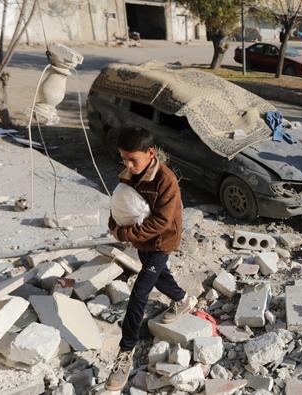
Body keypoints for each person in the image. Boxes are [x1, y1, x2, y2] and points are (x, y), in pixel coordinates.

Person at [106, 128, 197, 391]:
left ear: (150, 153)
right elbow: (120, 203)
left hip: (161, 241)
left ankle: (125, 352)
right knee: (158, 274)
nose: (128, 165)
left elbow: (161, 221)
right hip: (141, 240)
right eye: (124, 159)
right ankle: (183, 300)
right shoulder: (129, 174)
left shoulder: (166, 180)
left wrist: (123, 233)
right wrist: (113, 224)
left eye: (133, 159)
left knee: (139, 292)